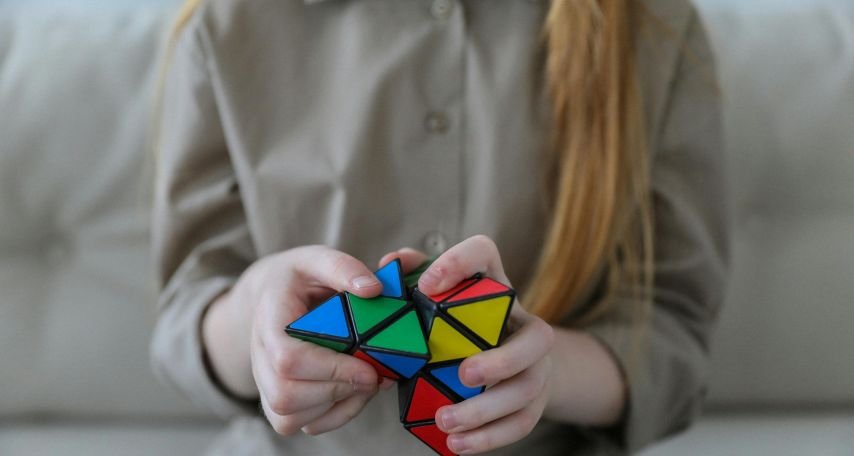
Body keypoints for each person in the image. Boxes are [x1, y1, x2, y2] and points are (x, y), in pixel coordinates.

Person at [150, 0, 728, 454]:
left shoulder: (653, 26)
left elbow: (672, 339)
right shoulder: (228, 24)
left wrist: (544, 373)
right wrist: (255, 308)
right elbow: (182, 323)